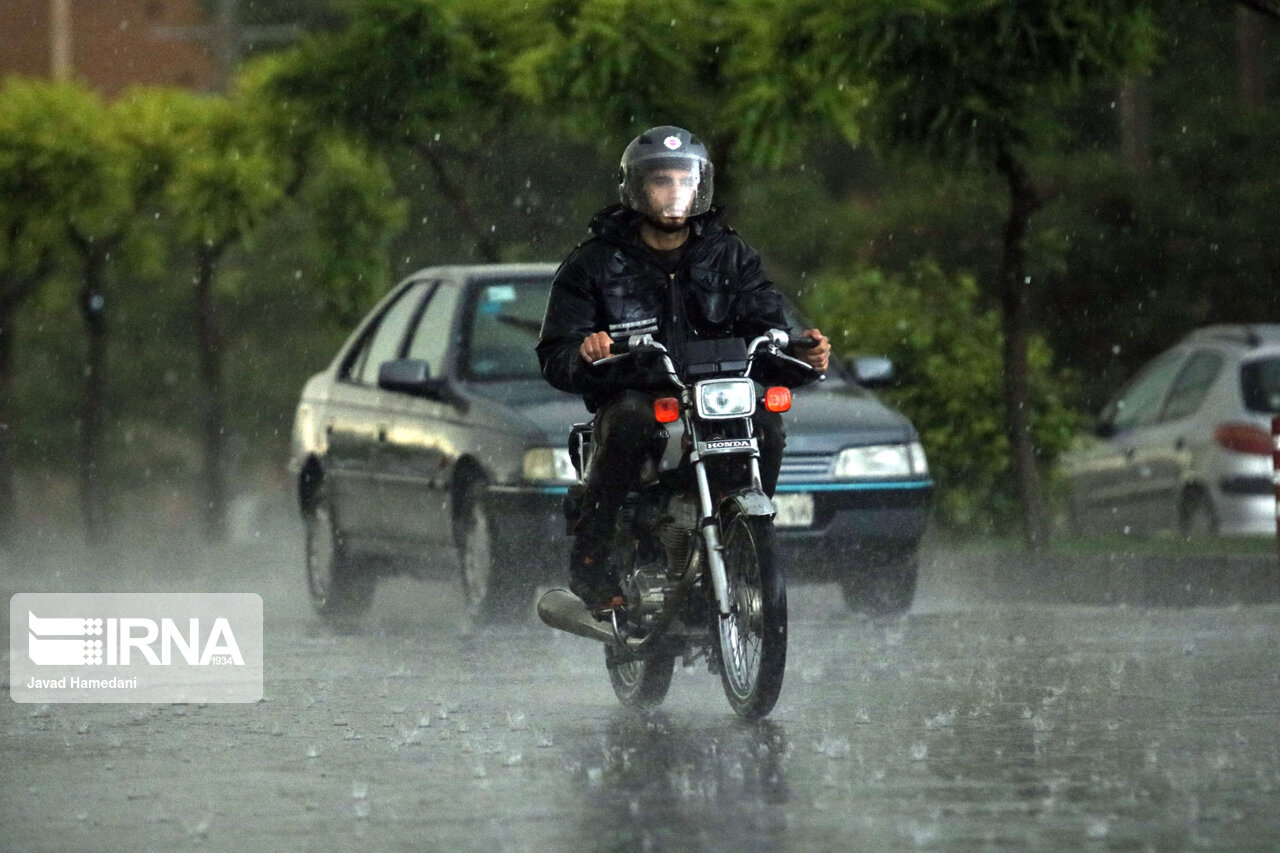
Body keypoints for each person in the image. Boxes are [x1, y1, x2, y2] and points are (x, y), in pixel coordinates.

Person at [536, 125, 830, 616]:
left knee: (768, 426)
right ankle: (593, 559)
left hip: (717, 393)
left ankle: (745, 544)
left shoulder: (730, 254)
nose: (674, 192)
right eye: (661, 181)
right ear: (637, 188)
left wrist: (803, 355)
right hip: (641, 393)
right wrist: (587, 351)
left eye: (683, 180)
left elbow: (767, 328)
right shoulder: (594, 263)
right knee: (630, 419)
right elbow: (556, 355)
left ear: (700, 187)